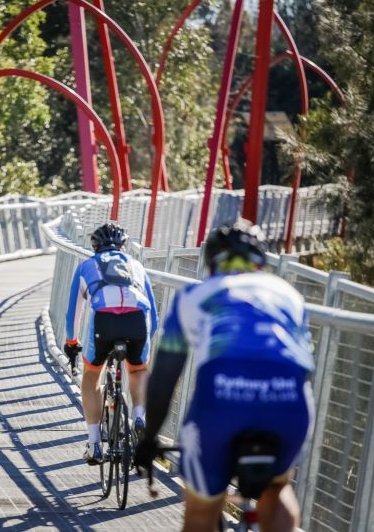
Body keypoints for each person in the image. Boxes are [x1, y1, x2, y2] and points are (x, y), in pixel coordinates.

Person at [134, 219, 314, 532]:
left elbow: (164, 378)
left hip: (221, 403)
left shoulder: (194, 295)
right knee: (277, 487)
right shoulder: (289, 295)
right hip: (288, 400)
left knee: (201, 514)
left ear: (211, 262)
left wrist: (149, 438)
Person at [63, 222, 158, 465]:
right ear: (123, 246)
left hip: (104, 322)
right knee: (138, 370)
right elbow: (154, 315)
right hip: (138, 320)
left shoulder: (86, 266)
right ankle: (139, 416)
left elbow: (74, 311)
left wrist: (72, 342)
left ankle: (94, 443)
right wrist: (145, 341)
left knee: (92, 375)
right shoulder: (136, 266)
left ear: (95, 246)